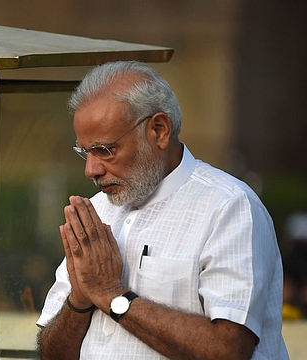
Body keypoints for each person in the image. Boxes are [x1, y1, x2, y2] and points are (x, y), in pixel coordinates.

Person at [36, 61, 288, 359]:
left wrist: (111, 295)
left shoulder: (228, 207)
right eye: (85, 152)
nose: (91, 170)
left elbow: (228, 349)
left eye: (105, 150)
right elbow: (50, 354)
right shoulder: (98, 212)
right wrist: (80, 299)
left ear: (159, 130)